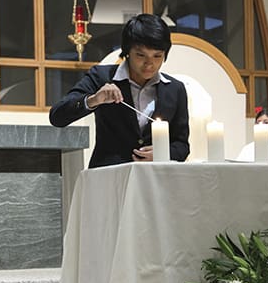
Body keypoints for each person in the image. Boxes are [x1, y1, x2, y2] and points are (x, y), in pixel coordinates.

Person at [49, 13, 189, 168]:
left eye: (157, 56)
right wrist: (94, 99)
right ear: (127, 51)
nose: (149, 64)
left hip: (155, 181)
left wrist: (164, 153)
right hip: (108, 177)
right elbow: (57, 116)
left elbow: (182, 145)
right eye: (141, 55)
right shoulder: (101, 77)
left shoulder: (175, 89)